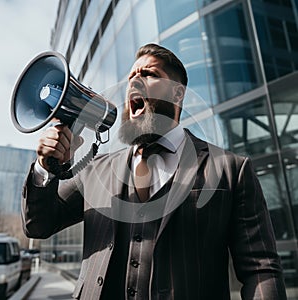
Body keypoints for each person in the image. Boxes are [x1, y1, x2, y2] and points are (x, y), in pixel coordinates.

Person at [21, 43, 287, 299]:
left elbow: (260, 269)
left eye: (148, 74)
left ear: (177, 93)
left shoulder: (231, 170)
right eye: (131, 77)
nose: (134, 81)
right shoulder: (95, 170)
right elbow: (39, 225)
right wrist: (45, 167)